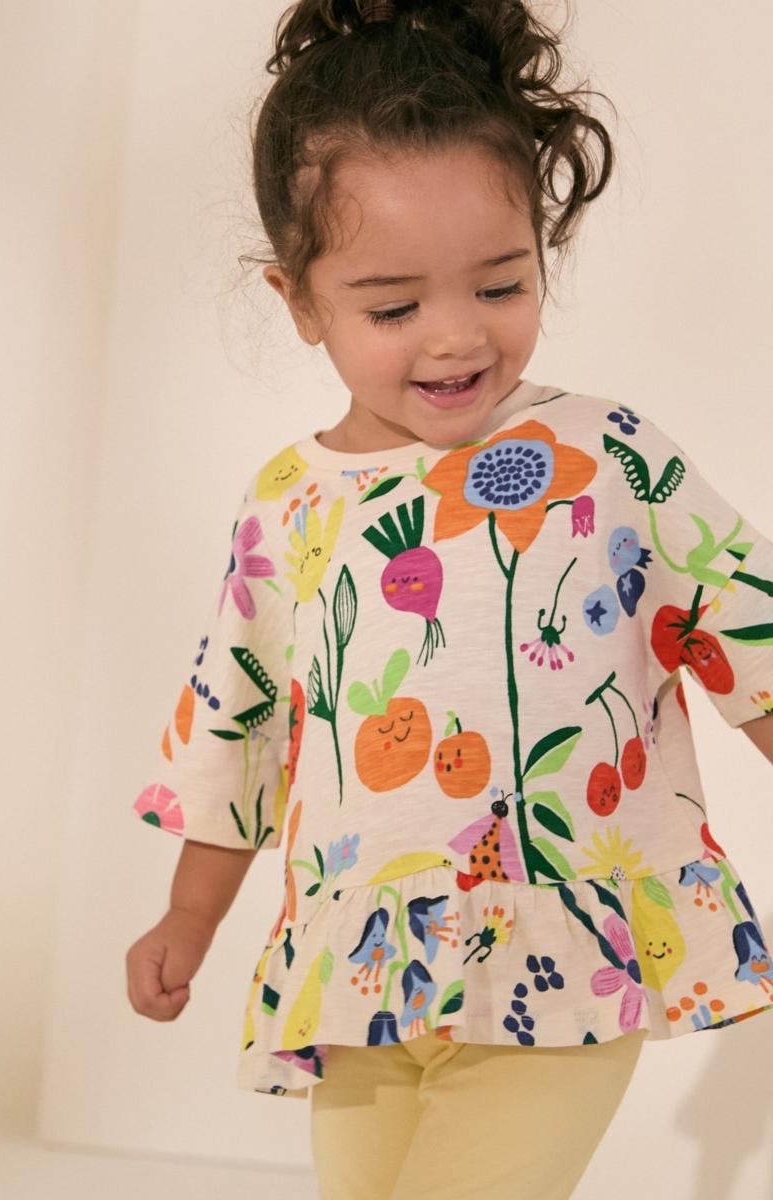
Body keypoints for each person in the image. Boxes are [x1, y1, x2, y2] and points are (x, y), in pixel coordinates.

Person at [125, 1, 773, 1196]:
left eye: (499, 284)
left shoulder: (608, 460)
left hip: (560, 952)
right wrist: (189, 917)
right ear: (298, 302)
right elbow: (237, 727)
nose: (455, 337)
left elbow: (745, 628)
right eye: (392, 307)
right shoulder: (287, 505)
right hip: (359, 971)